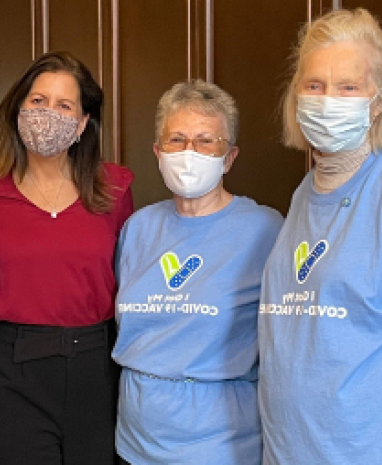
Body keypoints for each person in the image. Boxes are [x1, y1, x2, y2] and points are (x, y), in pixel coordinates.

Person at [0, 51, 134, 465]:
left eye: (64, 105)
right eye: (38, 101)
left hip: (94, 365)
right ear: (19, 108)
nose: (47, 114)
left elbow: (130, 272)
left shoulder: (114, 188)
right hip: (10, 368)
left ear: (82, 124)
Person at [258, 8, 382, 463]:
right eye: (315, 85)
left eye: (348, 87)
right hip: (286, 450)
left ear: (378, 100)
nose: (328, 100)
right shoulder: (306, 190)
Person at [112, 80, 282, 465]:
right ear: (157, 152)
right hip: (135, 443)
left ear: (230, 157)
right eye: (176, 139)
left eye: (207, 140)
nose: (190, 151)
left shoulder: (264, 230)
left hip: (219, 446)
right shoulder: (137, 228)